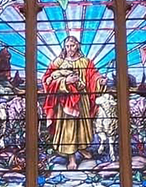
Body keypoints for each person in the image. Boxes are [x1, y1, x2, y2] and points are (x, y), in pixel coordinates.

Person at [41, 35, 105, 169]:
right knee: (68, 128)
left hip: (82, 100)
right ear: (64, 47)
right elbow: (47, 80)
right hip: (64, 102)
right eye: (68, 46)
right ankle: (71, 159)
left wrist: (100, 81)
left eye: (73, 45)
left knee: (82, 127)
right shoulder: (58, 63)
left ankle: (81, 147)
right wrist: (65, 82)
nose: (70, 49)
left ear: (78, 46)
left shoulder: (85, 62)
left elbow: (94, 76)